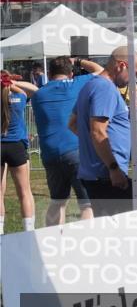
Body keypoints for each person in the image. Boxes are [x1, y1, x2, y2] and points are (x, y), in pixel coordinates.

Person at [69, 47, 137, 217]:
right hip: (107, 176)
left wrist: (95, 146)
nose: (135, 79)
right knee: (123, 235)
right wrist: (113, 168)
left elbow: (73, 124)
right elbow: (98, 132)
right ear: (122, 65)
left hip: (98, 174)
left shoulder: (90, 86)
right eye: (136, 73)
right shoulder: (105, 88)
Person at [32, 56, 103, 226]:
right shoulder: (76, 85)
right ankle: (88, 241)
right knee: (86, 204)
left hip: (50, 154)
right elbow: (100, 70)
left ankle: (52, 240)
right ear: (71, 74)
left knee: (57, 201)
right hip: (75, 150)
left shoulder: (38, 95)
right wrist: (78, 61)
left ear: (49, 73)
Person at [1, 71, 38, 231]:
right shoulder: (20, 97)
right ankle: (29, 231)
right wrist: (13, 84)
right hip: (16, 146)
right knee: (24, 192)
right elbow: (34, 89)